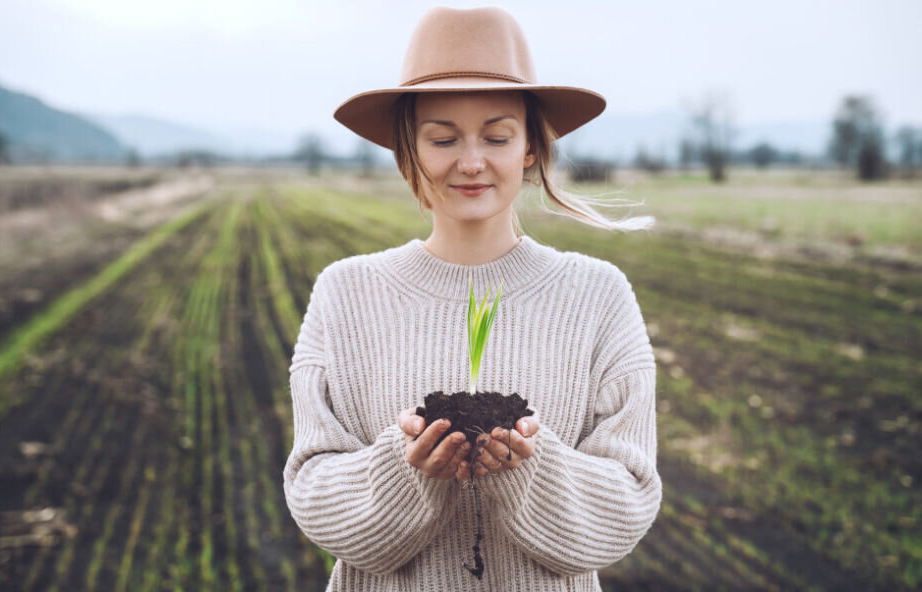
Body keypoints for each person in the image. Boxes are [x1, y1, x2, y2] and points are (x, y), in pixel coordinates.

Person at [282, 6, 661, 591]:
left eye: (497, 135)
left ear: (530, 146)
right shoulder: (346, 293)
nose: (471, 161)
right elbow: (312, 490)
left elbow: (629, 499)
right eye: (442, 137)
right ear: (408, 147)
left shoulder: (597, 295)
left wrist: (530, 470)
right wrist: (405, 472)